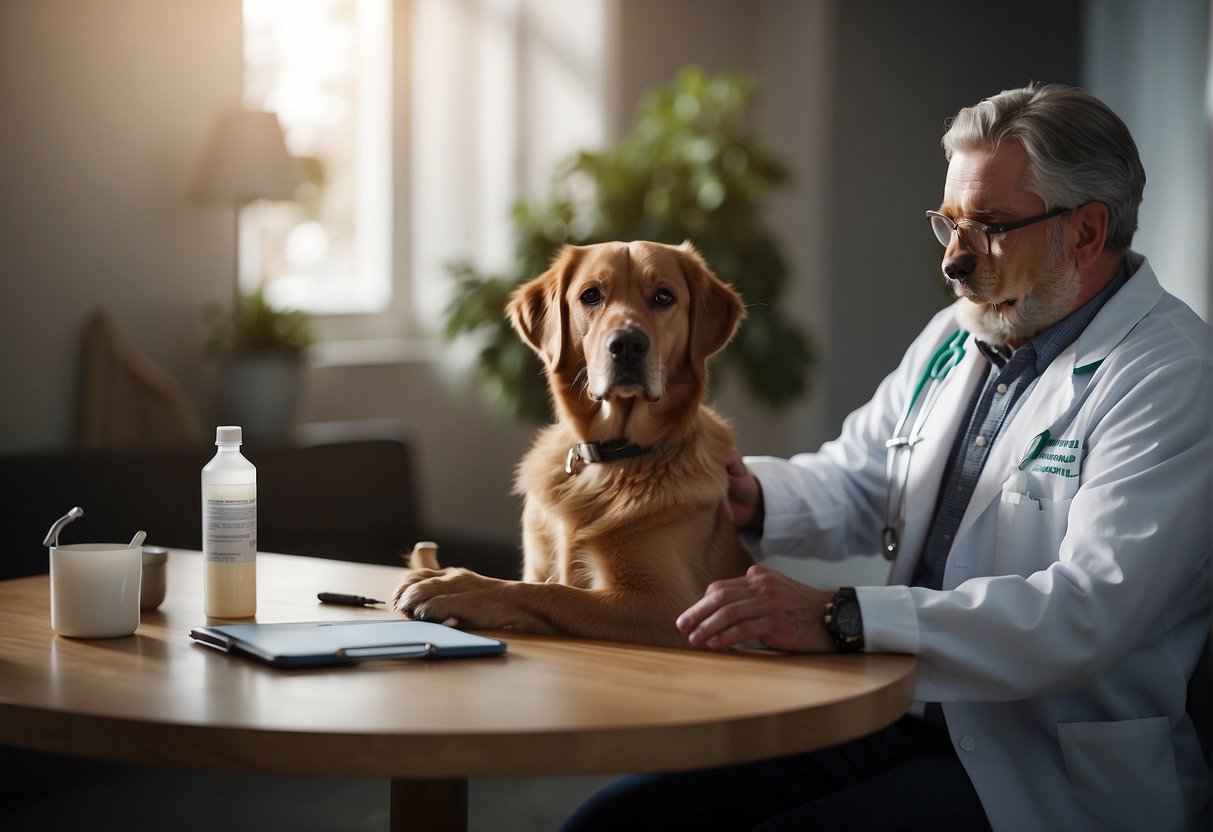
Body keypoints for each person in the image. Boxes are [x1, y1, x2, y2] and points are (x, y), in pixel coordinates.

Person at [561, 82, 1211, 831]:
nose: (954, 263)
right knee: (613, 824)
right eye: (949, 225)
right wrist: (746, 494)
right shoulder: (958, 335)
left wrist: (842, 616)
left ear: (1087, 233)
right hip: (898, 711)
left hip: (1043, 767)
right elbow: (863, 475)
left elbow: (1083, 613)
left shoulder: (1166, 376)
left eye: (989, 227)